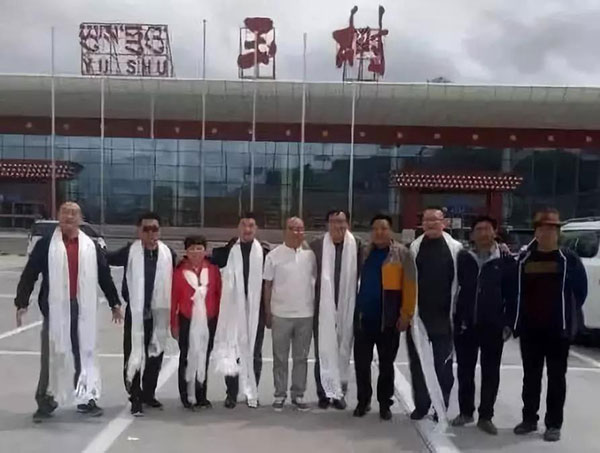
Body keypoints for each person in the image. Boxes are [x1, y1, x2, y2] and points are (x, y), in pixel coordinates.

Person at [15, 201, 123, 422]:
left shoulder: (90, 246)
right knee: (51, 355)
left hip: (82, 308)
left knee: (85, 353)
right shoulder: (46, 244)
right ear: (59, 216)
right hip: (55, 309)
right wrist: (22, 302)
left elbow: (104, 275)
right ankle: (45, 402)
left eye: (74, 213)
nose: (69, 216)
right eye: (65, 212)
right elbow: (30, 273)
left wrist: (115, 303)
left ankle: (85, 397)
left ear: (80, 218)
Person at [512, 208, 587, 442]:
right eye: (543, 228)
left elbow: (580, 292)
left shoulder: (569, 259)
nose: (548, 233)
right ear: (536, 231)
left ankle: (553, 424)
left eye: (553, 228)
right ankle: (529, 419)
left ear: (558, 232)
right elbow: (515, 291)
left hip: (558, 330)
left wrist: (567, 317)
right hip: (530, 329)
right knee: (530, 377)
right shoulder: (524, 259)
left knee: (556, 379)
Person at [451, 215, 517, 435]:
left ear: (495, 232)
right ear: (472, 234)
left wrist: (508, 323)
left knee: (490, 372)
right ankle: (466, 412)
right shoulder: (463, 258)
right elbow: (454, 288)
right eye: (478, 229)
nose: (483, 233)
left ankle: (486, 416)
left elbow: (513, 295)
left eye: (487, 228)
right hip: (465, 325)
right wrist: (456, 318)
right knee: (465, 371)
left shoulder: (506, 261)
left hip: (493, 326)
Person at [107, 212, 176, 417]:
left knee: (155, 354)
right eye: (146, 229)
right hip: (136, 313)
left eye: (154, 229)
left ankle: (148, 394)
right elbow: (107, 258)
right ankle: (135, 396)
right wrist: (92, 248)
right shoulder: (130, 252)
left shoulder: (168, 254)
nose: (150, 233)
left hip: (159, 314)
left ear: (159, 231)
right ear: (139, 231)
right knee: (134, 354)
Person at [353, 214, 417, 421]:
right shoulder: (364, 252)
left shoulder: (402, 254)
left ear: (390, 231)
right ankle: (363, 400)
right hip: (364, 318)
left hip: (388, 320)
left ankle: (384, 403)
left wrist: (406, 314)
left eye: (383, 228)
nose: (379, 232)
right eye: (375, 229)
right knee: (362, 364)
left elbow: (410, 285)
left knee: (386, 365)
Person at [408, 207, 462, 427]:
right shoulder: (414, 248)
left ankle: (441, 406)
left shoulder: (455, 249)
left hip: (444, 319)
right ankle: (422, 405)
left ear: (444, 223)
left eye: (435, 220)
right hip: (419, 317)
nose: (430, 224)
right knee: (418, 364)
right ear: (421, 224)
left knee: (443, 366)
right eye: (427, 220)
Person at [211, 213, 270, 409]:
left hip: (256, 312)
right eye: (244, 225)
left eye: (251, 225)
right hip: (233, 311)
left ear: (256, 229)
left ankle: (251, 391)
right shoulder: (226, 252)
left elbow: (270, 283)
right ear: (238, 227)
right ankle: (231, 393)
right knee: (232, 351)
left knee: (255, 353)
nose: (247, 229)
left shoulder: (264, 253)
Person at [264, 217, 317, 412]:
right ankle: (279, 394)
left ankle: (298, 394)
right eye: (292, 228)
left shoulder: (310, 256)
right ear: (285, 231)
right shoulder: (274, 255)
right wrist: (267, 311)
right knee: (280, 358)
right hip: (280, 314)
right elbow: (267, 285)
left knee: (301, 358)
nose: (296, 232)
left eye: (300, 229)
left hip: (305, 314)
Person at [310, 209, 361, 410]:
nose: (338, 226)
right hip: (322, 307)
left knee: (343, 350)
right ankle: (324, 393)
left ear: (348, 224)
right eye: (333, 221)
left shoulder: (357, 245)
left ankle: (339, 393)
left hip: (347, 306)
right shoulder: (316, 245)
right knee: (323, 351)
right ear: (327, 224)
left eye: (341, 221)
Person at [171, 235, 222, 410]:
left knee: (203, 356)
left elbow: (218, 294)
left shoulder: (213, 270)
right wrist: (174, 324)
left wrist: (219, 320)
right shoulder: (179, 272)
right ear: (186, 251)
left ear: (205, 251)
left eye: (199, 248)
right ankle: (187, 395)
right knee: (187, 357)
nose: (195, 252)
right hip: (187, 319)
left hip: (209, 320)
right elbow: (173, 300)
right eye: (192, 249)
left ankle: (201, 394)